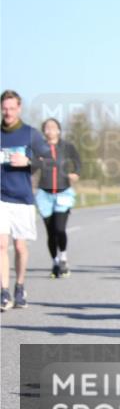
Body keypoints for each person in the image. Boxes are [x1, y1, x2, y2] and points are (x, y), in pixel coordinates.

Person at [1, 90, 42, 309]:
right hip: (1, 197)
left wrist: (28, 161)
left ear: (19, 108)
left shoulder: (30, 134)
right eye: (4, 108)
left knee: (19, 247)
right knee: (1, 244)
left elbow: (48, 162)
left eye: (11, 108)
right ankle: (3, 291)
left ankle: (19, 285)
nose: (7, 112)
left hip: (23, 198)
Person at [33, 118, 82, 278]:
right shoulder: (38, 148)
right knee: (50, 232)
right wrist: (36, 162)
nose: (50, 130)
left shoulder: (67, 147)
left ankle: (63, 258)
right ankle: (54, 262)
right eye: (47, 127)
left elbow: (78, 162)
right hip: (44, 194)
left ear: (59, 130)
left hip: (63, 192)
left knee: (60, 228)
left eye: (53, 127)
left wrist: (76, 174)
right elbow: (30, 168)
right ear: (44, 131)